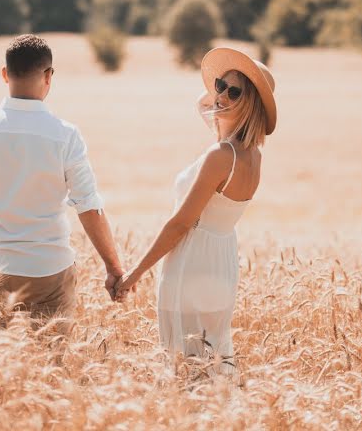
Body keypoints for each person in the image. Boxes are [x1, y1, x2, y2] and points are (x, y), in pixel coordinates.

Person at [0, 34, 124, 335]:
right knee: (48, 367)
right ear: (48, 76)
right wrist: (114, 267)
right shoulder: (65, 135)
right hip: (48, 272)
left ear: (4, 74)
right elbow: (89, 207)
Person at [116, 47, 277, 376]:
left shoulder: (220, 155)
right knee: (212, 355)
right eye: (219, 85)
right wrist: (223, 97)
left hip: (192, 265)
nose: (220, 95)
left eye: (235, 92)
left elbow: (179, 225)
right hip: (221, 263)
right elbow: (203, 106)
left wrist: (134, 274)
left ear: (250, 104)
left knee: (186, 364)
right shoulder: (252, 155)